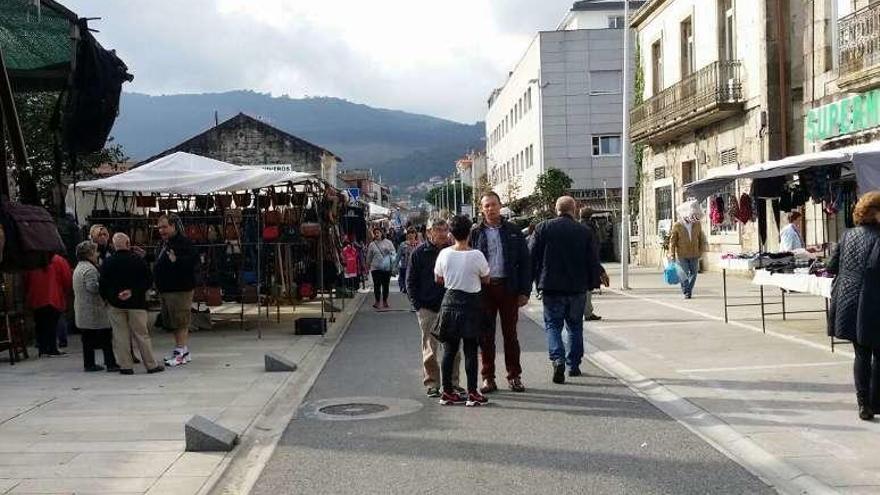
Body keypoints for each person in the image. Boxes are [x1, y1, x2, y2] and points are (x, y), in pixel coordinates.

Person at [532, 197, 609, 383]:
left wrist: (530, 282)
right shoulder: (583, 231)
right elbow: (592, 257)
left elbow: (532, 255)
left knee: (553, 325)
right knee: (575, 326)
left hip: (551, 287)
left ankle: (557, 359)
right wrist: (598, 275)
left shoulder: (543, 228)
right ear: (573, 209)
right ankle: (573, 365)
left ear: (556, 209)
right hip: (577, 287)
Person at [470, 191, 531, 393]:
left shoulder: (513, 231)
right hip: (484, 290)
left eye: (493, 204)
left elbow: (525, 262)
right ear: (481, 209)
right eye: (486, 205)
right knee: (486, 336)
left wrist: (524, 291)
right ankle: (488, 377)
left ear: (500, 205)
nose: (490, 208)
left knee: (510, 335)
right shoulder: (475, 233)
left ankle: (514, 376)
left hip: (508, 288)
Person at [827, 191, 880, 420]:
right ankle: (876, 403)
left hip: (849, 301)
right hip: (873, 302)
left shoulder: (847, 235)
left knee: (861, 353)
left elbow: (831, 266)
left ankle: (863, 405)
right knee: (878, 354)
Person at [434, 215, 490, 407]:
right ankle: (473, 392)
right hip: (471, 303)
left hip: (449, 302)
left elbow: (438, 278)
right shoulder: (477, 255)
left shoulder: (444, 254)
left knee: (449, 350)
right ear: (469, 233)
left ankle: (447, 392)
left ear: (451, 233)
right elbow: (486, 279)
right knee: (471, 350)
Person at [407, 218, 463, 398]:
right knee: (430, 348)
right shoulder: (419, 253)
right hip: (428, 308)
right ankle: (432, 383)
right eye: (438, 229)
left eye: (445, 229)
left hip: (451, 306)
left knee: (453, 348)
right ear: (429, 231)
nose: (442, 233)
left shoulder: (454, 251)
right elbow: (410, 281)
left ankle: (453, 383)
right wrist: (418, 305)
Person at [100, 234, 162, 375]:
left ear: (114, 245)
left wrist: (109, 298)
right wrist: (133, 292)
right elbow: (148, 280)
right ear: (128, 243)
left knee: (120, 335)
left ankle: (126, 366)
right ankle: (151, 365)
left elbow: (102, 284)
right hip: (137, 303)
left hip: (115, 304)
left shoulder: (108, 262)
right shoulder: (138, 261)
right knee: (141, 335)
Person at [154, 213, 198, 367]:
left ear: (173, 226)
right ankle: (182, 351)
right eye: (159, 228)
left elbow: (194, 261)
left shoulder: (183, 242)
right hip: (166, 289)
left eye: (164, 227)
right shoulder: (164, 243)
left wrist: (177, 261)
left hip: (179, 290)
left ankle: (181, 352)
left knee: (180, 321)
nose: (161, 230)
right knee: (172, 322)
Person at [73, 241, 119, 372]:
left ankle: (89, 363)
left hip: (83, 309)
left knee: (87, 339)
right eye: (95, 251)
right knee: (105, 338)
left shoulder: (79, 267)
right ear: (89, 254)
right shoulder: (90, 269)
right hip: (94, 310)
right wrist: (105, 286)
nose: (97, 254)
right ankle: (110, 363)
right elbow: (93, 287)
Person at [24, 253, 73, 357]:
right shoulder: (58, 260)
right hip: (53, 296)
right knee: (52, 324)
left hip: (36, 297)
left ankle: (42, 349)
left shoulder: (31, 260)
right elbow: (67, 278)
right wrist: (64, 292)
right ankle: (52, 349)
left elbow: (26, 280)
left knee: (39, 324)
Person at [668, 209, 707, 299]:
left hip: (694, 253)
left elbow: (701, 238)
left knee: (694, 273)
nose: (691, 217)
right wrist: (672, 254)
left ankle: (688, 289)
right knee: (684, 274)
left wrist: (701, 251)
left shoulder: (697, 224)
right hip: (682, 254)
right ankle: (687, 291)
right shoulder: (677, 225)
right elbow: (672, 241)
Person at [579, 207, 603, 321]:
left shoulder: (578, 226)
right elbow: (593, 247)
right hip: (588, 262)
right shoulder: (590, 227)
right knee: (588, 288)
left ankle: (586, 310)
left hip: (580, 262)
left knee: (585, 289)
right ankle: (587, 312)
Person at [366, 228, 395, 310]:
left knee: (385, 285)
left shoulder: (388, 243)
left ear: (381, 233)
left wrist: (389, 251)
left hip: (386, 268)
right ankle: (377, 301)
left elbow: (393, 253)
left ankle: (385, 300)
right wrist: (367, 265)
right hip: (375, 268)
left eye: (378, 233)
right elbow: (369, 256)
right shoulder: (372, 244)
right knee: (377, 285)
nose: (376, 234)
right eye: (375, 233)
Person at [397, 228, 419, 295]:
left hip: (415, 267)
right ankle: (404, 288)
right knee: (403, 279)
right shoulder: (402, 244)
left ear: (415, 234)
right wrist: (394, 266)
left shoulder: (419, 244)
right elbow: (398, 256)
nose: (411, 235)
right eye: (409, 233)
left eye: (412, 233)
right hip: (404, 266)